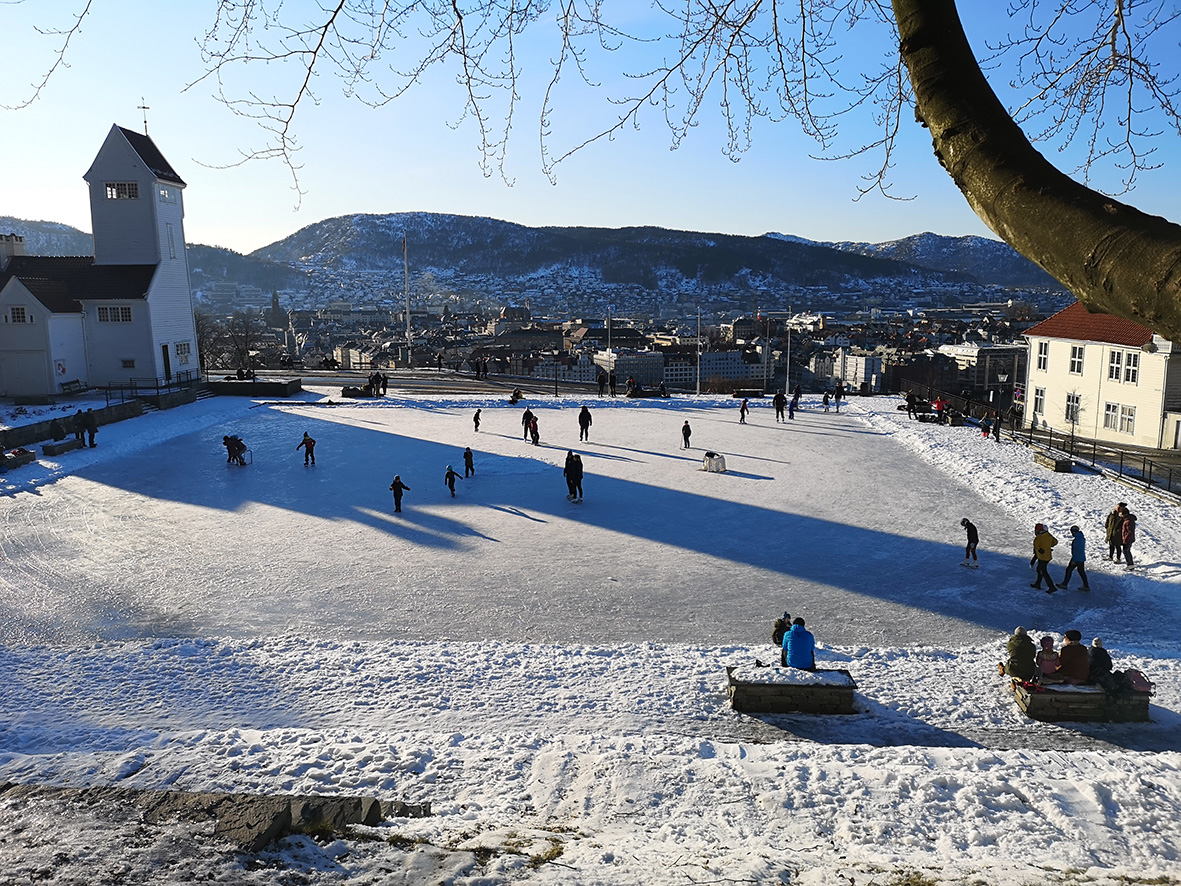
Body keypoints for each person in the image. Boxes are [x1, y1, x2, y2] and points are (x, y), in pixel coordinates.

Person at [1030, 522, 1059, 593]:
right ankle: (1037, 584)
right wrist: (1049, 546)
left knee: (1043, 572)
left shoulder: (1038, 538)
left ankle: (1052, 587)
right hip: (1048, 556)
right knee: (1039, 569)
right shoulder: (1048, 535)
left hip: (1042, 557)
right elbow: (1055, 542)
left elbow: (1036, 546)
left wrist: (1040, 549)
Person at [1061, 525, 1090, 590]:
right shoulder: (1081, 537)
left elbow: (1076, 551)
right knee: (1081, 572)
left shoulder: (1077, 540)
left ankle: (1064, 584)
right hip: (1081, 558)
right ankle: (1086, 586)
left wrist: (1074, 560)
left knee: (1069, 570)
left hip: (1076, 558)